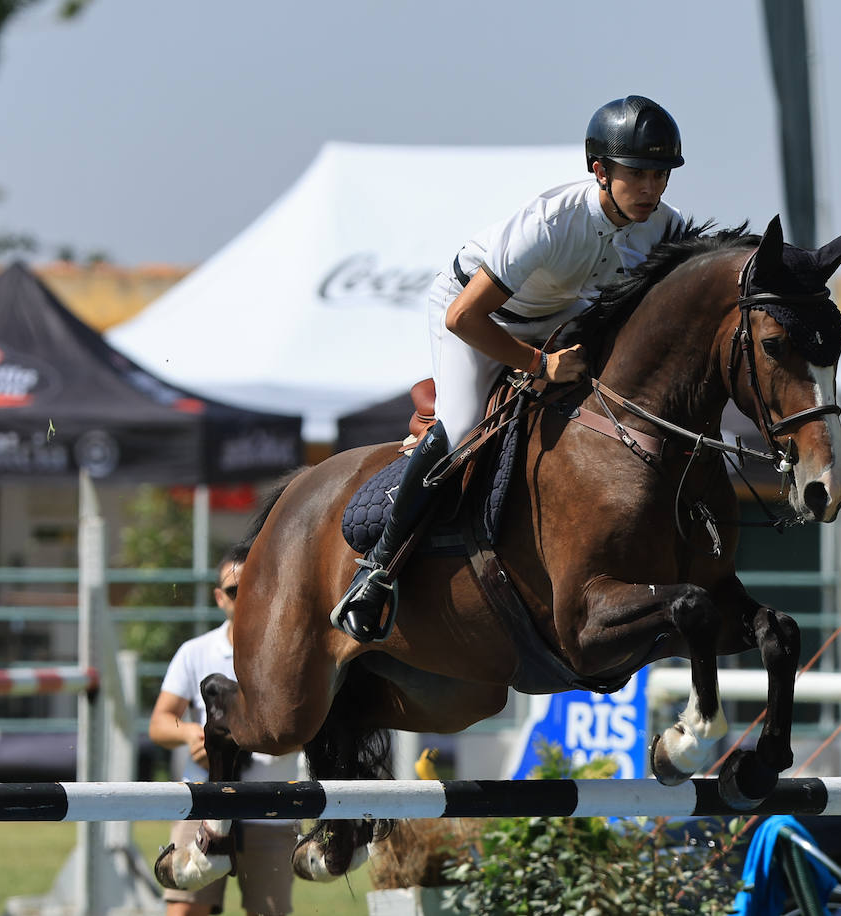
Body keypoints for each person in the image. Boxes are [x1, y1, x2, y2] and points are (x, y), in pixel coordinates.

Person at [330, 95, 687, 642]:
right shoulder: (549, 224)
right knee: (459, 429)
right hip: (480, 315)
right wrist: (538, 365)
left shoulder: (665, 227)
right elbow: (462, 316)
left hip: (564, 316)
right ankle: (376, 574)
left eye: (661, 174)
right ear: (600, 170)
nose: (652, 188)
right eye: (637, 174)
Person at [149, 546, 301, 916]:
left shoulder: (294, 652)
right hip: (203, 801)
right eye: (234, 589)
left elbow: (310, 726)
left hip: (271, 806)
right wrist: (191, 735)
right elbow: (160, 722)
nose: (244, 595)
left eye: (254, 584)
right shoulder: (195, 651)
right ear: (220, 598)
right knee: (184, 911)